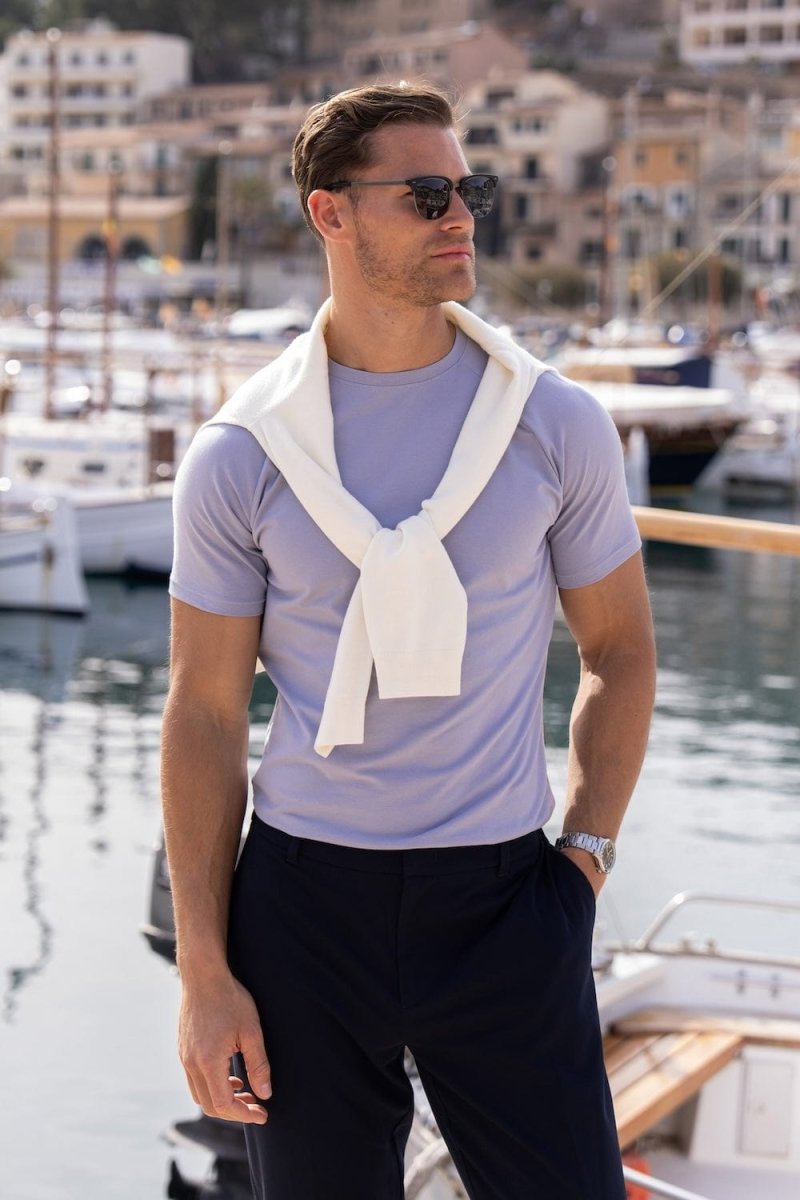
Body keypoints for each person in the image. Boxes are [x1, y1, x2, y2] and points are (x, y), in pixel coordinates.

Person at [161, 82, 657, 1200]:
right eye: (426, 194)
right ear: (329, 213)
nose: (461, 217)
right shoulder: (241, 454)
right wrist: (204, 971)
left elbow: (619, 651)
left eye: (469, 191)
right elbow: (204, 712)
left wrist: (583, 862)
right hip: (300, 912)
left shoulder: (551, 422)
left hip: (505, 903)